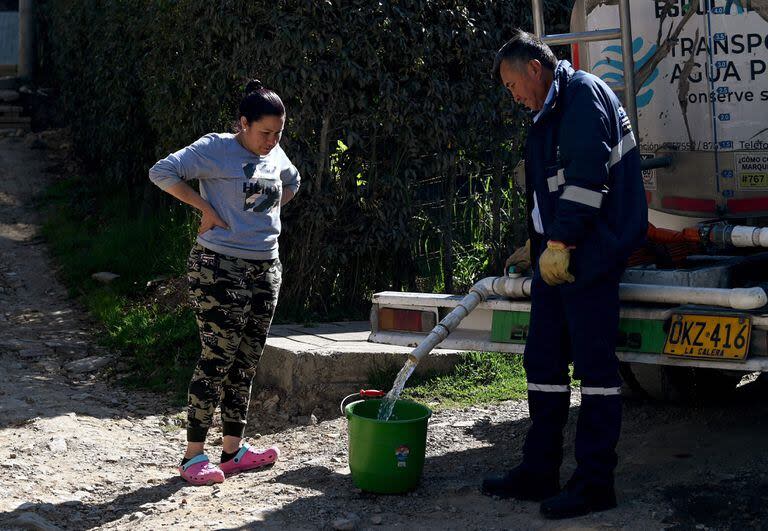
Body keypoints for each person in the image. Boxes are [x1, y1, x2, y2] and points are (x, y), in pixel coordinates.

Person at [483, 30, 647, 518]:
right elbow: (548, 190)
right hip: (560, 253)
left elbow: (585, 179)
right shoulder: (547, 111)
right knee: (544, 362)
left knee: (596, 373)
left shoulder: (582, 96)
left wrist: (557, 243)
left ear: (535, 68)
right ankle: (540, 471)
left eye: (513, 84)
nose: (512, 96)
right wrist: (536, 243)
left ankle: (595, 483)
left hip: (590, 253)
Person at [148, 79, 300, 485]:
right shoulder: (215, 148)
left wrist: (264, 217)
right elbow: (161, 171)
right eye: (264, 132)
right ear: (243, 123)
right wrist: (206, 207)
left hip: (267, 267)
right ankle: (192, 457)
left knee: (247, 361)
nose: (272, 140)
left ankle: (232, 451)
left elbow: (293, 181)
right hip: (219, 266)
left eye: (278, 133)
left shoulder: (275, 152)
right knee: (218, 357)